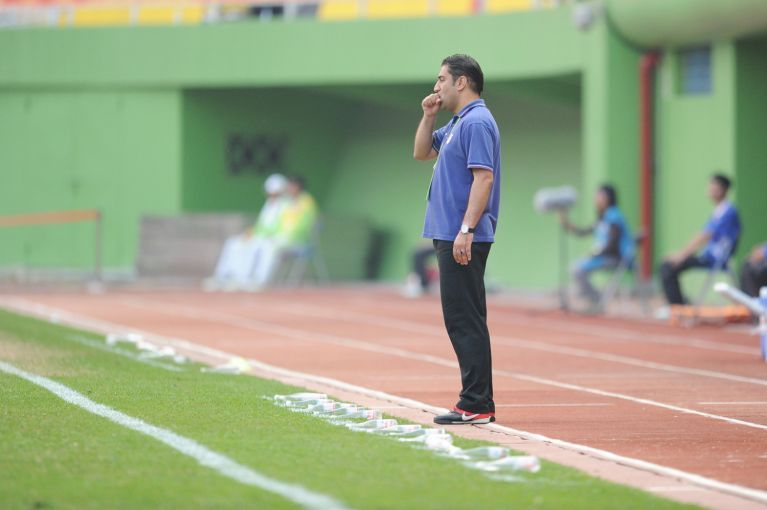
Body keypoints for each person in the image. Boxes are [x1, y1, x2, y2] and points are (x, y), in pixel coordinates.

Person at [413, 54, 501, 425]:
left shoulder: (477, 121)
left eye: (441, 79)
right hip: (450, 233)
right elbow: (421, 153)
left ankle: (476, 402)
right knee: (462, 318)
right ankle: (477, 401)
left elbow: (484, 178)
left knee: (464, 320)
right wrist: (428, 116)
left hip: (462, 235)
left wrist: (466, 229)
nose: (436, 87)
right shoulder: (457, 122)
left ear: (461, 82)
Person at [659, 174, 741, 305]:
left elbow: (704, 236)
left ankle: (678, 307)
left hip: (715, 259)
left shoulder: (728, 211)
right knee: (667, 264)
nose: (709, 189)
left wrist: (681, 255)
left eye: (713, 186)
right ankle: (680, 304)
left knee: (668, 267)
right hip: (707, 256)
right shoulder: (719, 211)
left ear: (723, 189)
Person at [205, 174, 289, 290]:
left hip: (275, 238)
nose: (272, 195)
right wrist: (251, 232)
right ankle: (224, 276)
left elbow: (282, 227)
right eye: (270, 193)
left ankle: (252, 279)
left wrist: (261, 235)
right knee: (234, 243)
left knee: (256, 246)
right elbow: (261, 225)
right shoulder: (269, 205)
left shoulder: (287, 206)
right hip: (261, 236)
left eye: (275, 193)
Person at [558, 185, 634, 307]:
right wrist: (565, 223)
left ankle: (597, 300)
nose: (596, 198)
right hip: (604, 256)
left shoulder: (614, 216)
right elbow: (583, 232)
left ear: (608, 198)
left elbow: (613, 244)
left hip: (617, 257)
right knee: (575, 268)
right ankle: (596, 298)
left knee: (577, 270)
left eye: (600, 195)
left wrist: (594, 253)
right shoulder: (602, 218)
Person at [249, 174, 318, 288]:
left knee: (270, 247)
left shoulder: (307, 202)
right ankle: (248, 278)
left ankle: (262, 281)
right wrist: (269, 234)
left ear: (297, 187)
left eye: (291, 186)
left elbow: (305, 226)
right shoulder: (287, 203)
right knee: (259, 243)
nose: (288, 189)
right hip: (281, 239)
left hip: (298, 241)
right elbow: (278, 224)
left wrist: (286, 236)